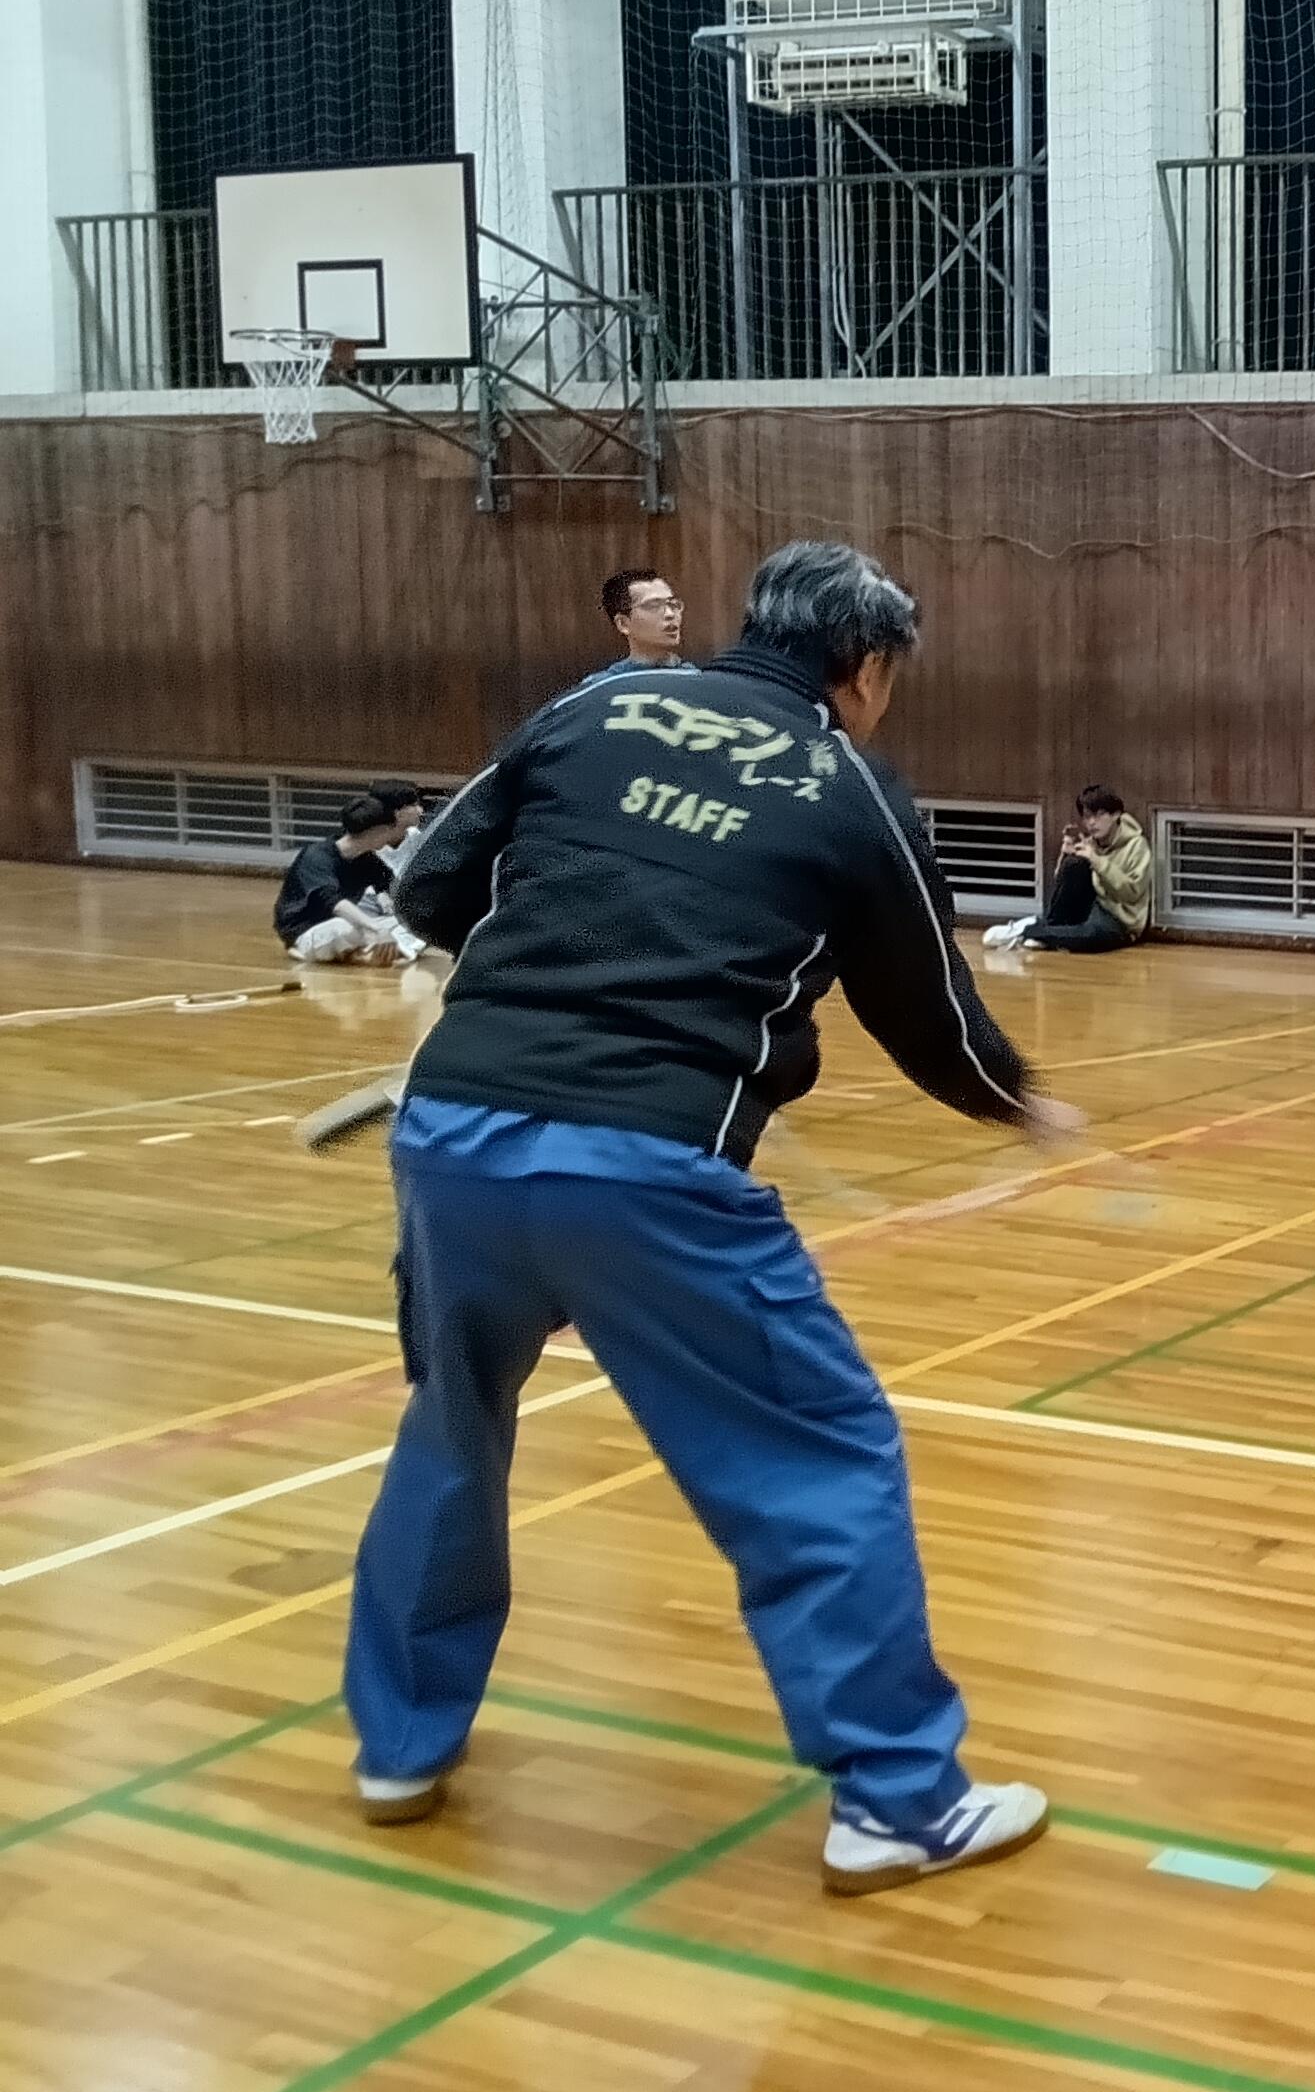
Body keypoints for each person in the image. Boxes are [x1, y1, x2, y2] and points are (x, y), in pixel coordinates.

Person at [348, 539, 1079, 1895]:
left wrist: (552, 970)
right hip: (648, 1168)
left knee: (452, 1425)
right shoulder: (850, 784)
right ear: (867, 666)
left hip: (452, 1135)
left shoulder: (596, 704)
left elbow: (428, 884)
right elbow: (926, 1010)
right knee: (822, 1458)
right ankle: (901, 1803)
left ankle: (398, 1746)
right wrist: (1018, 1101)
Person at [983, 786, 1156, 955]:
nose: (1092, 822)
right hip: (1090, 907)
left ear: (1116, 814)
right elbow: (1062, 887)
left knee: (1090, 936)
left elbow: (1132, 893)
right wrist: (1065, 857)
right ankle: (1047, 933)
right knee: (1074, 864)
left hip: (1120, 921)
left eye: (1099, 815)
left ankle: (1027, 930)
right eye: (1087, 817)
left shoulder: (1136, 845)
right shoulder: (1090, 842)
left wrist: (1097, 860)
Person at [276, 792, 421, 966]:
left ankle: (368, 952)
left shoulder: (366, 858)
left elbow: (393, 886)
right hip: (307, 932)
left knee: (419, 923)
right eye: (390, 828)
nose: (392, 834)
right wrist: (373, 927)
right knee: (342, 927)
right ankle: (373, 950)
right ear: (376, 831)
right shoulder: (316, 856)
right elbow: (333, 902)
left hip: (351, 926)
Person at [594, 566, 689, 674]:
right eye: (654, 606)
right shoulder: (609, 682)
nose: (670, 614)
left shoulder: (696, 678)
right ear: (623, 623)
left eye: (673, 604)